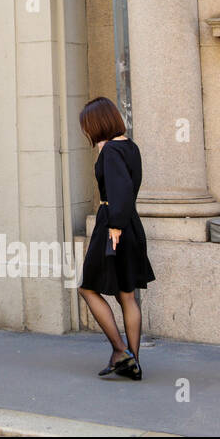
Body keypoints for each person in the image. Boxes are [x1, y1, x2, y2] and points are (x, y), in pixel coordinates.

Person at [76, 96, 154, 381]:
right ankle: (132, 361)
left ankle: (121, 351)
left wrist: (115, 228)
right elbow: (129, 186)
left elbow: (118, 190)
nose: (86, 130)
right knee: (127, 295)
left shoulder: (110, 151)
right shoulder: (129, 147)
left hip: (113, 224)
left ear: (97, 123)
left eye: (88, 125)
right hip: (130, 223)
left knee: (87, 288)